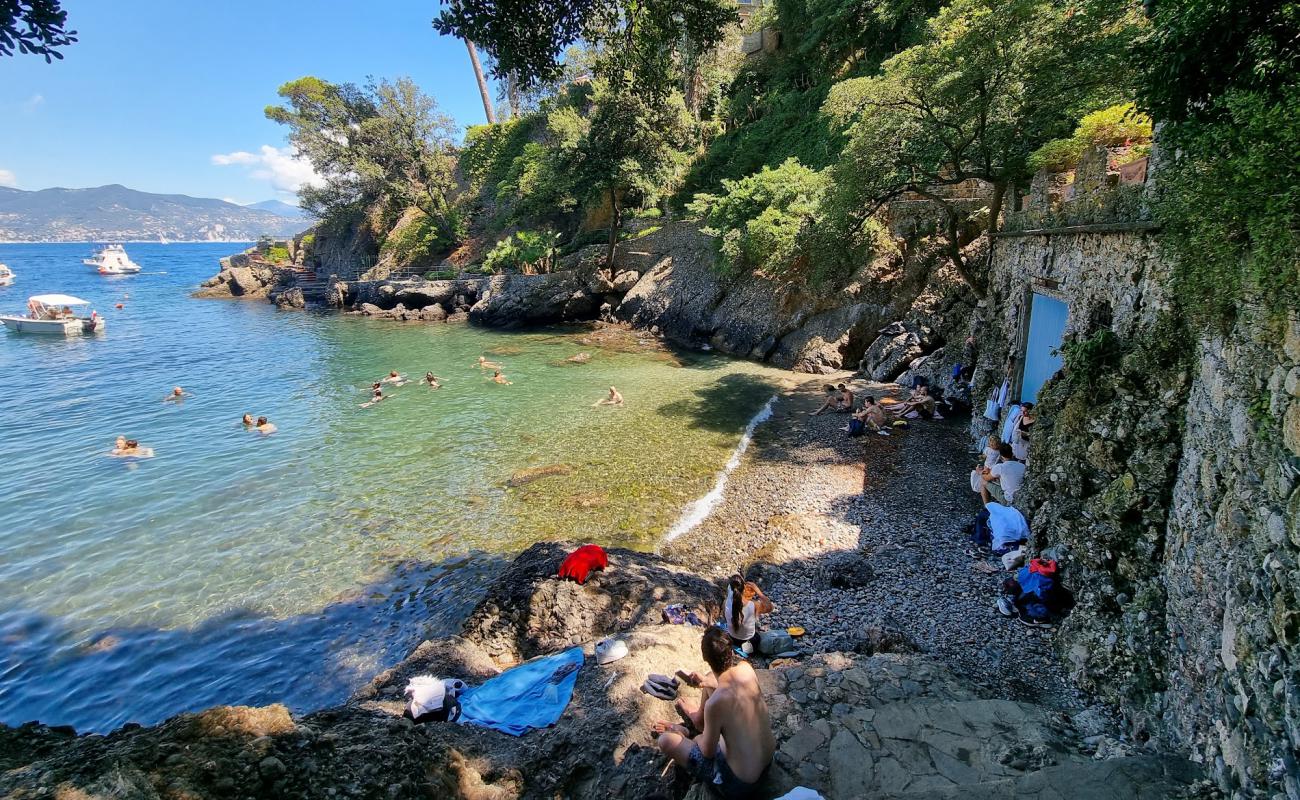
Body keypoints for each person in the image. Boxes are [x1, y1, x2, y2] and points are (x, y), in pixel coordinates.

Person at [652, 626, 776, 799]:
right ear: (731, 652)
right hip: (767, 764)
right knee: (709, 681)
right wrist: (707, 682)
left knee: (666, 741)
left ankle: (687, 730)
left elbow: (707, 752)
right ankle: (697, 718)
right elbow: (729, 688)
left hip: (741, 784)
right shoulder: (746, 669)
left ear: (705, 658)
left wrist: (693, 737)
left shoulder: (715, 704)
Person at [723, 574, 773, 654]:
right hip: (750, 640)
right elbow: (770, 607)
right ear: (744, 590)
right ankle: (748, 650)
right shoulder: (753, 605)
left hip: (732, 638)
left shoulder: (726, 602)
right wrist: (758, 591)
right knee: (756, 636)